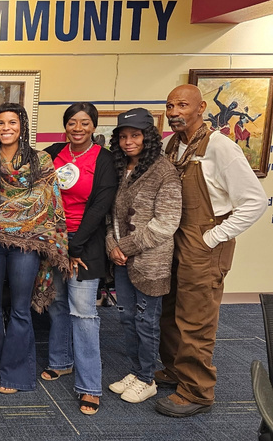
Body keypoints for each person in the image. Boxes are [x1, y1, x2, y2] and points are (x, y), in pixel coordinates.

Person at [156, 84, 266, 417]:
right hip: (176, 239)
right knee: (171, 311)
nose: (174, 112)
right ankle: (175, 370)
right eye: (170, 106)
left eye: (182, 105)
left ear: (201, 107)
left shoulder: (220, 147)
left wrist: (214, 237)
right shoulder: (172, 145)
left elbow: (255, 201)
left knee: (196, 318)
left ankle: (197, 391)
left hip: (203, 245)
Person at [0, 103, 68, 396]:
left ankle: (15, 373)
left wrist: (15, 220)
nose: (6, 128)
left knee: (21, 309)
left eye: (12, 122)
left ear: (22, 126)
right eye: (1, 123)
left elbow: (48, 200)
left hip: (27, 243)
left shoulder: (40, 160)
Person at [43, 102, 117, 415]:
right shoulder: (53, 153)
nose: (78, 128)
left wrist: (75, 247)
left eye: (84, 123)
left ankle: (90, 387)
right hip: (53, 241)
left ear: (93, 126)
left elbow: (100, 207)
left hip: (85, 243)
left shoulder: (104, 159)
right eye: (72, 122)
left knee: (84, 313)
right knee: (57, 303)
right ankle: (61, 361)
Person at [105, 109, 182, 405]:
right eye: (123, 136)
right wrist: (111, 244)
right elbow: (110, 215)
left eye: (135, 135)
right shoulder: (119, 167)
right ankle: (137, 371)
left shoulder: (164, 171)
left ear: (148, 137)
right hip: (121, 260)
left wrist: (124, 247)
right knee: (127, 318)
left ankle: (148, 379)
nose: (128, 142)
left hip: (151, 262)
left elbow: (166, 223)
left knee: (146, 321)